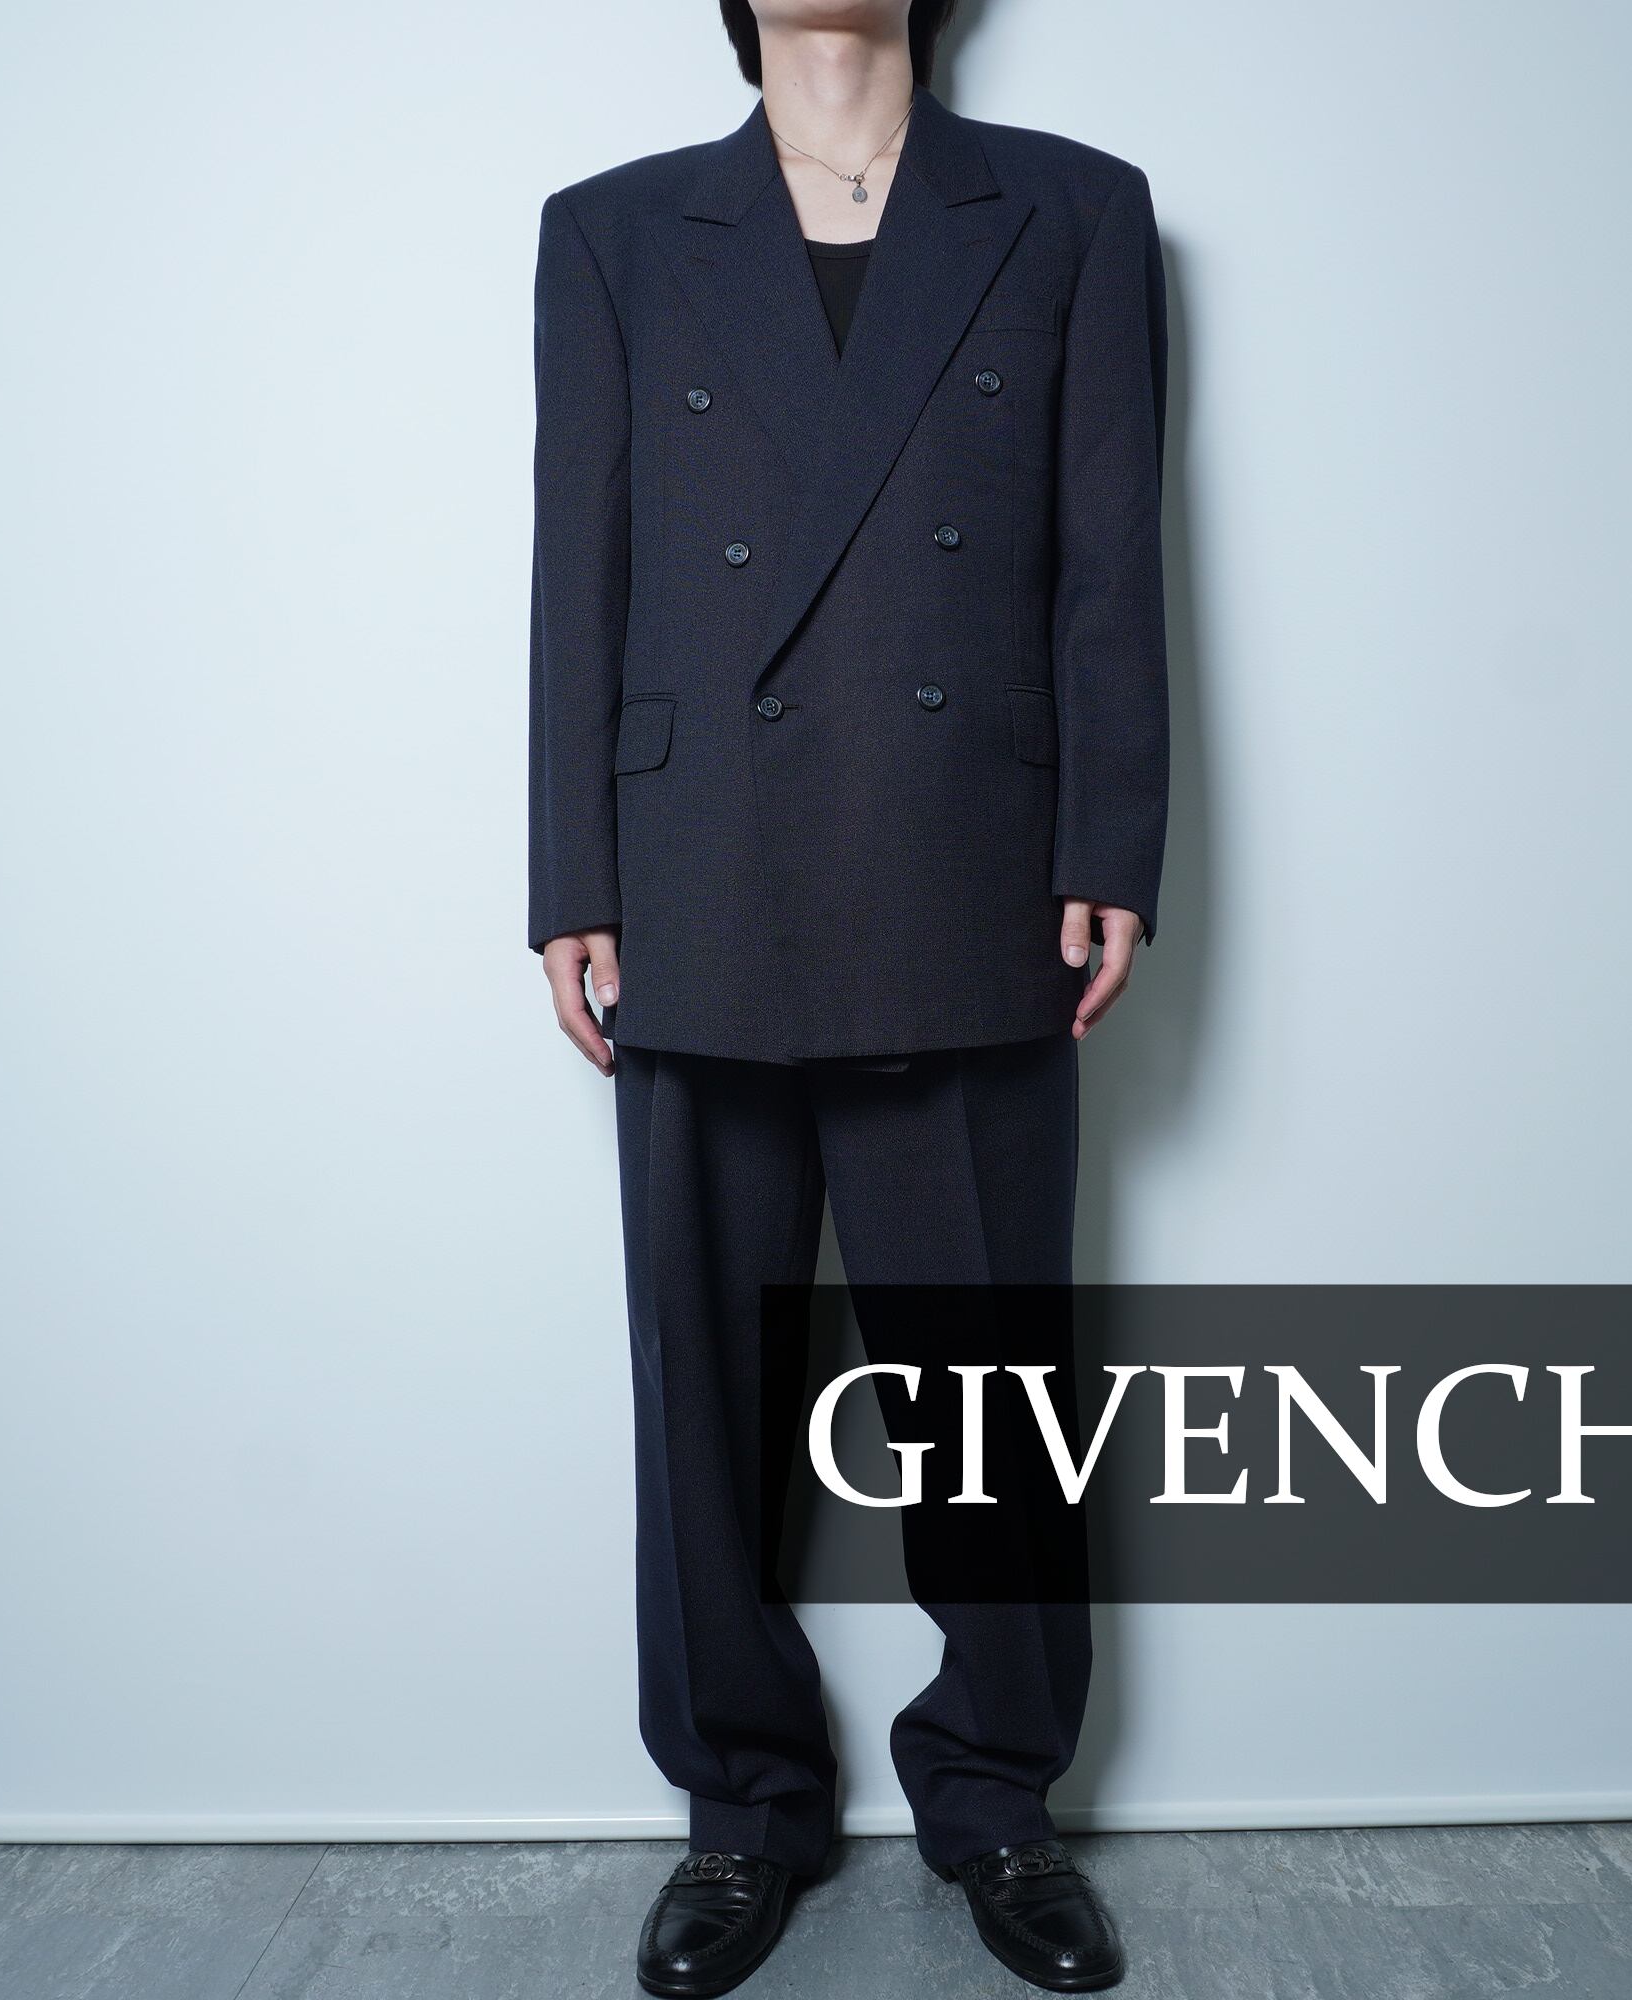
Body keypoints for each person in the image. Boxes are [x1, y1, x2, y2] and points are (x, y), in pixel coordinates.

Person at [529, 1, 1168, 1990]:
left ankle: (997, 1792)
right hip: (697, 862)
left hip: (970, 856)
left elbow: (1112, 555)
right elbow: (579, 560)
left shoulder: (1074, 211)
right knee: (703, 1386)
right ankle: (741, 1808)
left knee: (989, 1388)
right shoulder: (614, 229)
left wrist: (1111, 836)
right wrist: (568, 873)